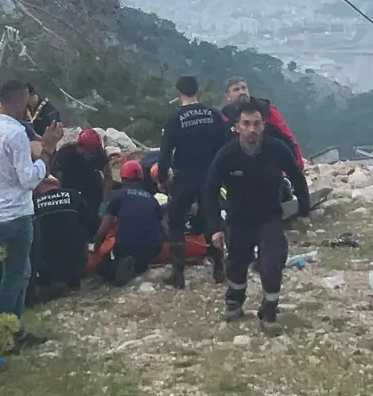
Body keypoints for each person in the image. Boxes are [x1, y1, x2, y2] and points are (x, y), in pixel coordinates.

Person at [0, 78, 64, 352]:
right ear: (21, 103)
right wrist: (46, 152)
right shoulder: (16, 134)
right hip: (17, 214)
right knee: (15, 273)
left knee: (19, 271)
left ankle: (14, 329)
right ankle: (4, 333)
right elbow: (29, 179)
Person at [202, 101, 310, 332]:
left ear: (263, 126)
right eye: (246, 124)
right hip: (238, 220)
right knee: (237, 265)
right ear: (236, 127)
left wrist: (303, 211)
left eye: (257, 124)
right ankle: (234, 303)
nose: (252, 129)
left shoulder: (277, 149)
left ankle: (269, 313)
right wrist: (214, 228)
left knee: (272, 263)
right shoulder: (226, 155)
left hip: (269, 218)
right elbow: (209, 192)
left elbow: (297, 178)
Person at [157, 75, 230, 288]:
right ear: (197, 90)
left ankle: (178, 275)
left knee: (176, 222)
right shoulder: (214, 115)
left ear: (178, 92)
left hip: (185, 177)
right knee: (212, 219)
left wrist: (162, 178)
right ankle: (218, 268)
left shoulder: (175, 119)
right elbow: (224, 148)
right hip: (210, 176)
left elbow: (165, 154)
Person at [94, 160, 165, 287]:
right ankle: (139, 266)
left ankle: (118, 267)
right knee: (140, 259)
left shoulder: (117, 196)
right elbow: (162, 227)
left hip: (126, 246)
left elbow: (102, 230)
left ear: (123, 177)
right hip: (153, 248)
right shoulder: (151, 198)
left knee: (101, 268)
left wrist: (96, 248)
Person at [220, 76, 304, 171]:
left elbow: (288, 137)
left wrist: (298, 165)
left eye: (244, 88)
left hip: (274, 164)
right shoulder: (224, 118)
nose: (242, 92)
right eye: (236, 90)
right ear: (228, 96)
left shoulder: (267, 110)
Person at [32, 176, 89, 296]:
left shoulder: (34, 202)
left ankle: (52, 287)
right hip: (76, 258)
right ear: (58, 186)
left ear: (40, 188)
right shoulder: (72, 195)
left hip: (48, 261)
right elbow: (91, 220)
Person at [51, 128, 111, 222]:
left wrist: (104, 203)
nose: (92, 155)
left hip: (91, 187)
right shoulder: (66, 152)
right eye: (90, 152)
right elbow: (53, 172)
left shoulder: (99, 155)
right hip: (69, 185)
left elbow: (108, 178)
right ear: (80, 148)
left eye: (94, 152)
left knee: (91, 217)